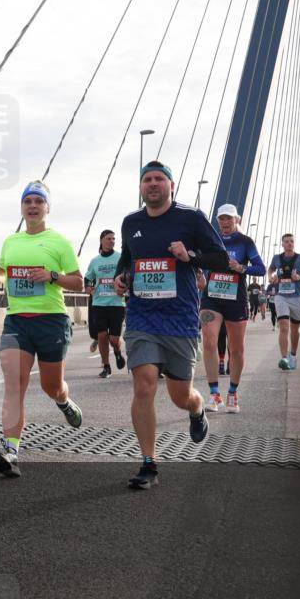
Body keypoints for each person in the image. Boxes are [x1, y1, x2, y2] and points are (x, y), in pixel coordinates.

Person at [113, 161, 229, 489]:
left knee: (181, 395)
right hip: (142, 317)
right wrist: (121, 277)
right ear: (140, 187)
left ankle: (197, 408)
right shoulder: (131, 222)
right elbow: (126, 259)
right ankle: (148, 463)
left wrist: (189, 256)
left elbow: (220, 259)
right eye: (147, 179)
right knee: (144, 385)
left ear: (171, 185)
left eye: (159, 179)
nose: (152, 184)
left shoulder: (191, 218)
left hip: (180, 319)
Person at [0, 181, 84, 478]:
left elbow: (78, 282)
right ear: (22, 207)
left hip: (51, 321)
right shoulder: (11, 241)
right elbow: (2, 271)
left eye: (38, 201)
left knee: (51, 386)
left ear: (47, 208)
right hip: (17, 321)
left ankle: (63, 400)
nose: (32, 206)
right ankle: (11, 450)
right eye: (27, 201)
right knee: (14, 385)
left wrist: (51, 276)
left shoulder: (59, 242)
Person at [198, 204, 264, 414]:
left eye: (229, 218)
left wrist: (241, 268)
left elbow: (261, 269)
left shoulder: (245, 242)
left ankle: (233, 393)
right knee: (209, 341)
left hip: (236, 300)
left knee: (236, 349)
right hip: (212, 297)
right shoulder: (211, 240)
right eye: (221, 219)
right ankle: (214, 394)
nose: (225, 222)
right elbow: (199, 261)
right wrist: (200, 274)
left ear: (237, 219)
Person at [268, 233, 300, 370]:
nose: (289, 243)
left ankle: (293, 354)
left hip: (298, 297)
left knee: (295, 329)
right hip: (281, 296)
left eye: (291, 241)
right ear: (282, 244)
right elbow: (270, 269)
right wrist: (271, 276)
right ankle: (284, 358)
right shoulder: (277, 258)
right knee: (283, 326)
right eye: (286, 241)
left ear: (294, 243)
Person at [84, 229, 127, 378]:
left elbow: (128, 273)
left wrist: (124, 285)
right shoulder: (95, 261)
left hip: (117, 303)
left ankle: (117, 351)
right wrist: (88, 287)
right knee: (102, 335)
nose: (112, 241)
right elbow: (88, 277)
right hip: (99, 303)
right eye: (109, 238)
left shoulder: (120, 257)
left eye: (114, 239)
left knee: (114, 339)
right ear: (101, 240)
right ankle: (106, 367)